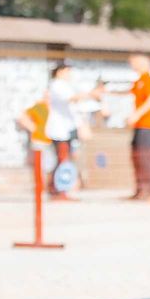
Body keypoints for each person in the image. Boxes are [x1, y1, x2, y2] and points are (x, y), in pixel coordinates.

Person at [44, 64, 101, 199]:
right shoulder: (56, 85)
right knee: (62, 159)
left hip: (68, 129)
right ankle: (59, 190)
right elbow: (72, 98)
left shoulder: (67, 86)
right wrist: (90, 94)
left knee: (65, 159)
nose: (70, 75)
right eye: (67, 71)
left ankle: (59, 189)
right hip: (59, 130)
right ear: (59, 72)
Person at [125, 54, 150, 200]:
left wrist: (136, 114)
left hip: (148, 124)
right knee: (136, 157)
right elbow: (128, 94)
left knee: (145, 157)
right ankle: (140, 189)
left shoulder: (149, 80)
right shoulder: (138, 81)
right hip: (138, 124)